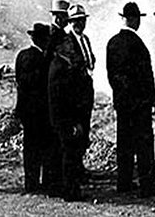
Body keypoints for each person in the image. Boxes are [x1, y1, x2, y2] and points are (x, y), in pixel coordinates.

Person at [106, 2, 155, 197]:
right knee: (144, 144)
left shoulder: (112, 43)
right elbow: (147, 75)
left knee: (124, 143)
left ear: (123, 18)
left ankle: (124, 182)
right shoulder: (138, 45)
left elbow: (112, 76)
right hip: (140, 105)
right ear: (135, 20)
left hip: (122, 104)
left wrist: (122, 96)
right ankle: (148, 186)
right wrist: (152, 99)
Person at [48, 16, 89, 202]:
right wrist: (72, 123)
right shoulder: (59, 68)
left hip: (65, 119)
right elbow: (61, 100)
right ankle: (70, 191)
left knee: (67, 154)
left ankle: (68, 189)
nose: (70, 46)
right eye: (66, 44)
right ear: (59, 48)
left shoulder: (62, 64)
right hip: (65, 119)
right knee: (68, 155)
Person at [14, 22, 55, 194]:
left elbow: (19, 84)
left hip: (27, 111)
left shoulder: (22, 55)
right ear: (42, 40)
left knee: (31, 148)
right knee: (43, 147)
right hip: (40, 111)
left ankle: (32, 183)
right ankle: (43, 182)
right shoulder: (42, 59)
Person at [68, 3, 96, 175]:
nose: (80, 24)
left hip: (86, 92)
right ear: (70, 22)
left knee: (84, 131)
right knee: (75, 132)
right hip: (74, 94)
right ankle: (75, 169)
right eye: (76, 21)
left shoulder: (85, 39)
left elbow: (91, 61)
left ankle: (80, 166)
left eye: (82, 20)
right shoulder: (67, 42)